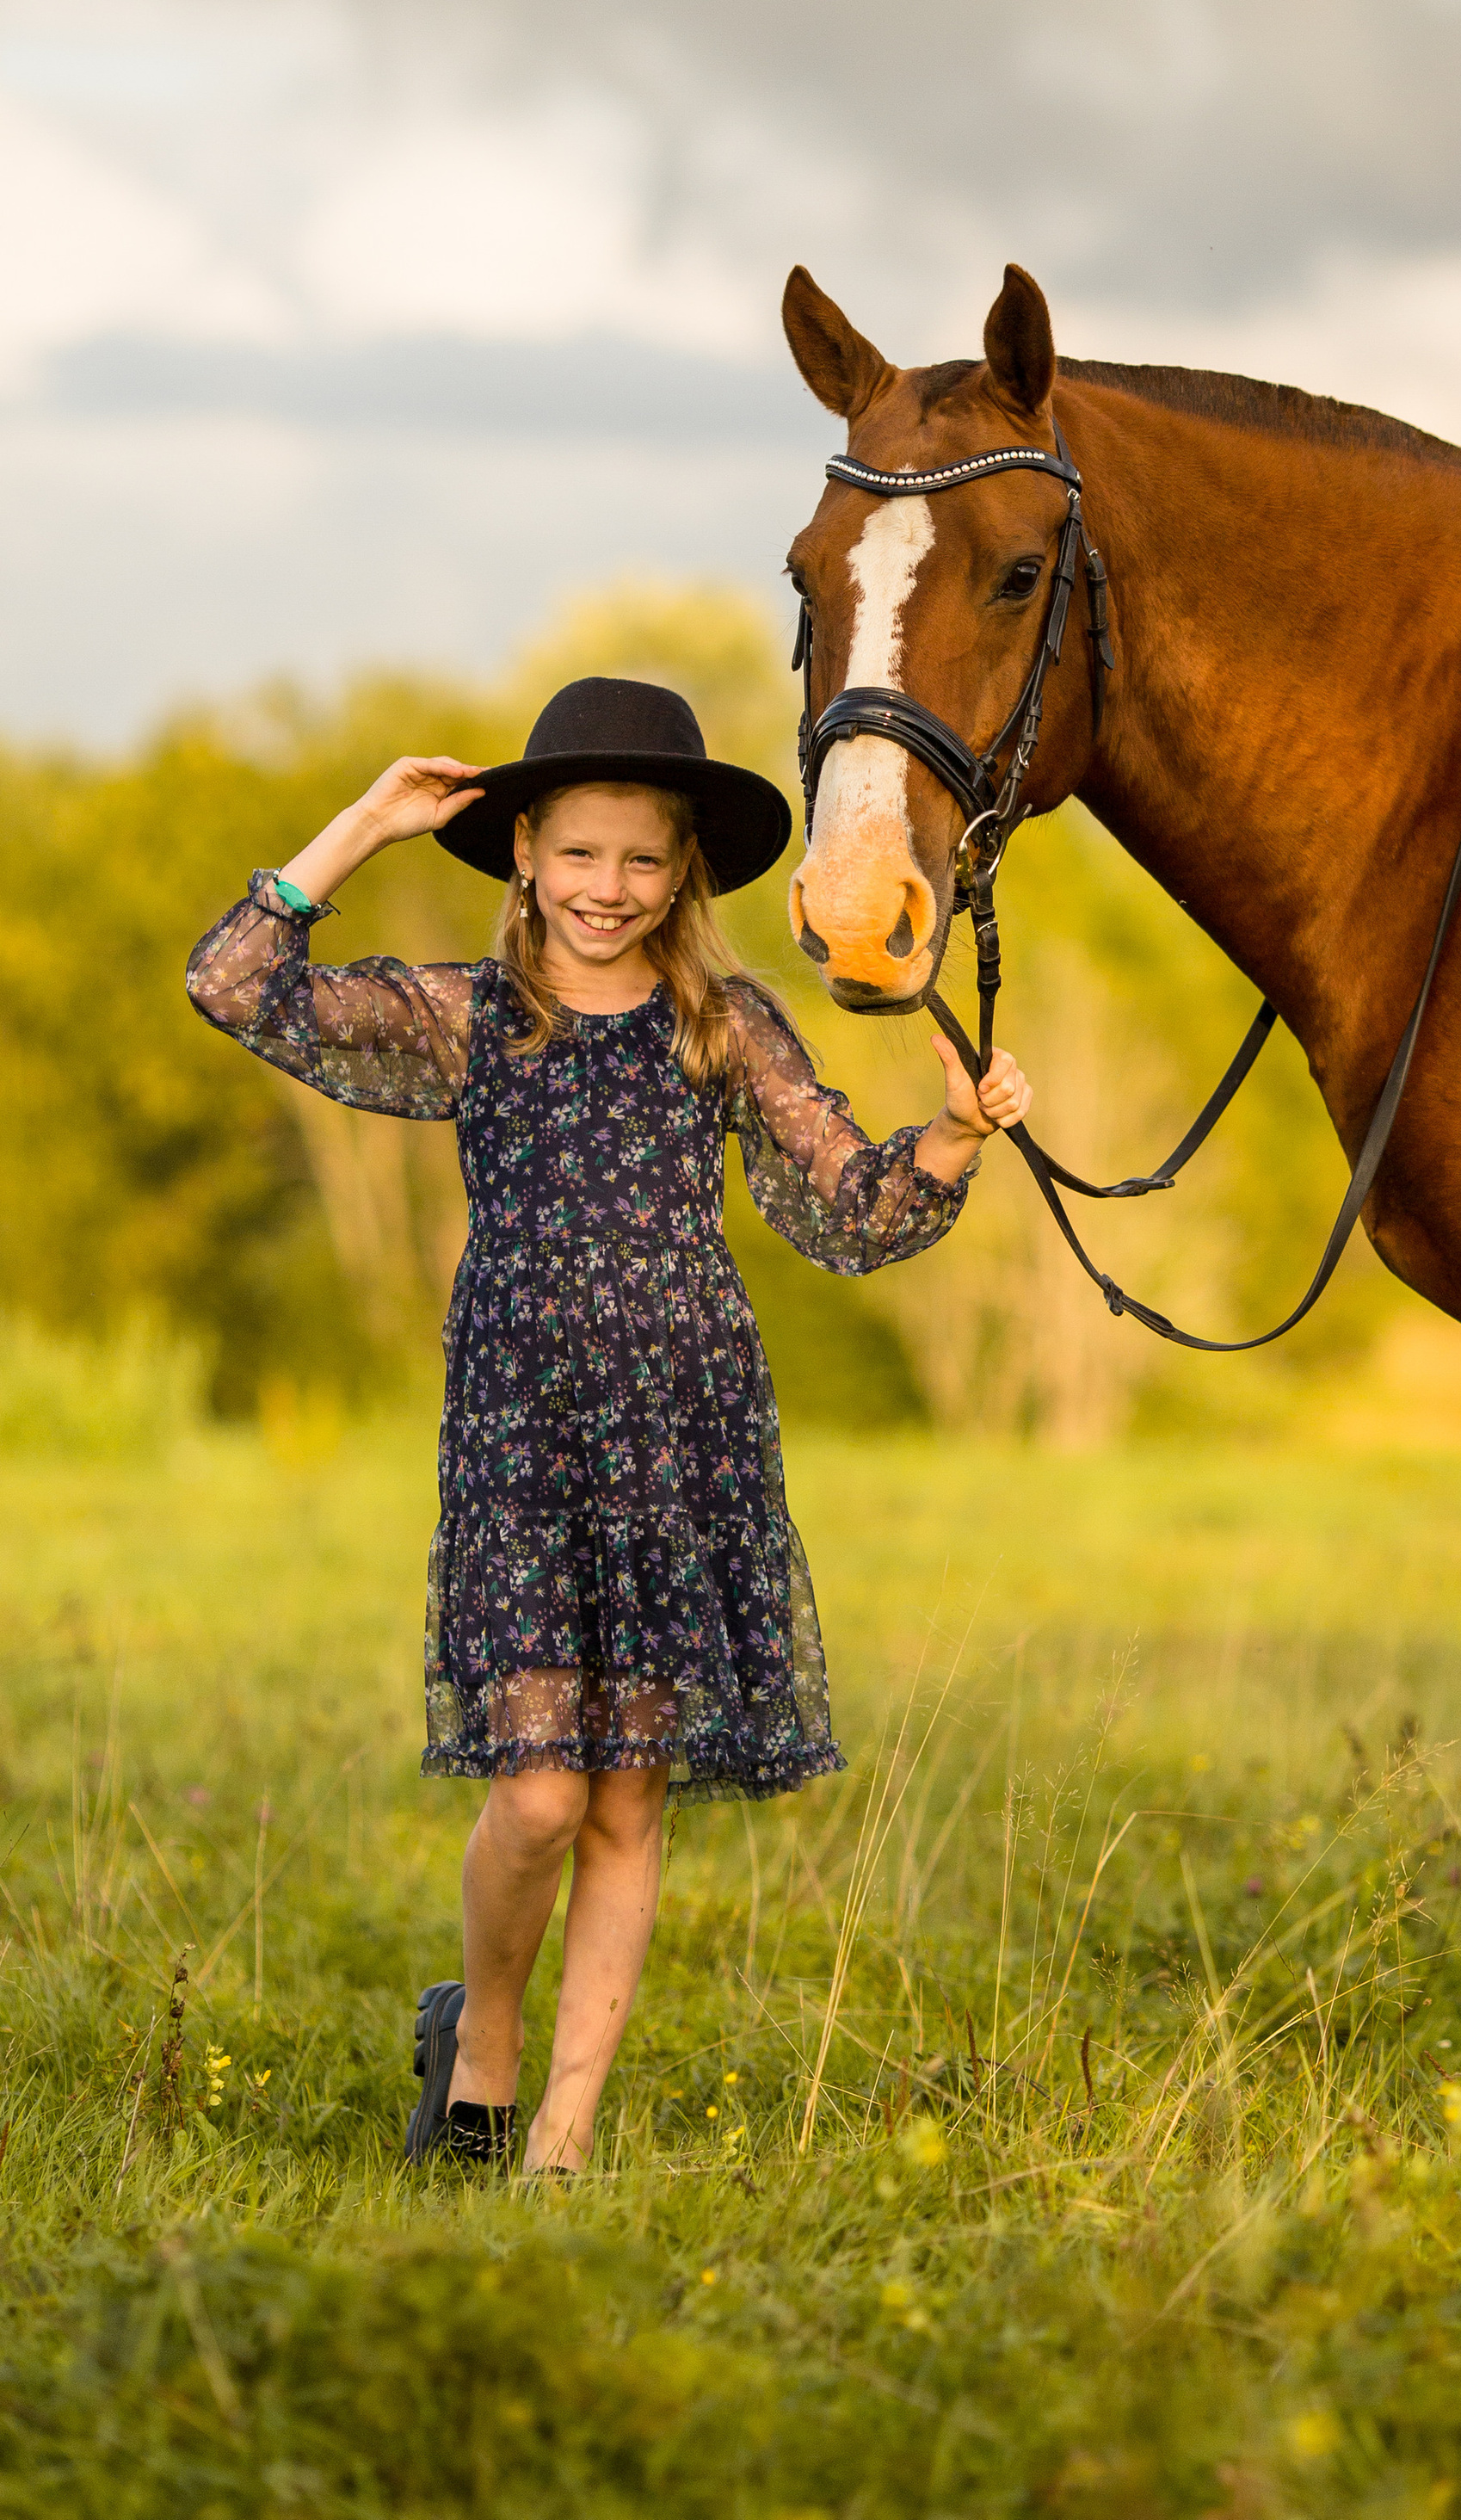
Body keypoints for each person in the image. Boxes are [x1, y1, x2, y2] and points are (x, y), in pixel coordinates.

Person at [184, 674, 1028, 2176]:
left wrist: (958, 1134)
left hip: (681, 1440)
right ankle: (485, 2040)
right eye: (578, 854)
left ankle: (558, 2144)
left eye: (643, 860)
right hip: (518, 1438)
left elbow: (848, 1207)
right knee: (537, 1795)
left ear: (684, 871)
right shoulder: (466, 1020)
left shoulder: (723, 1026)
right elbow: (238, 983)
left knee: (629, 1803)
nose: (608, 890)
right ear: (523, 854)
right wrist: (366, 826)